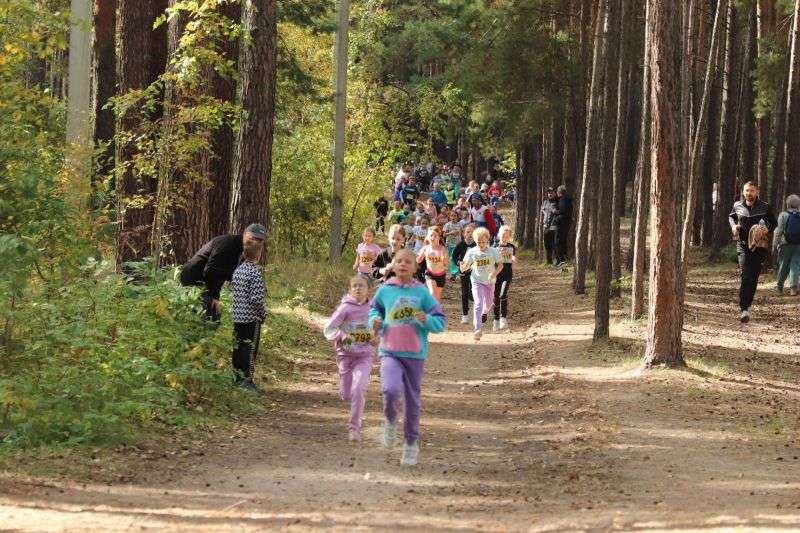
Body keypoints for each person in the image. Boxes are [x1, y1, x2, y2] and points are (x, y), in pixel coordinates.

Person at [370, 249, 446, 466]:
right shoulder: (384, 290)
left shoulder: (422, 293)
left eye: (408, 262)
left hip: (414, 353)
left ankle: (411, 444)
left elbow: (440, 321)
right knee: (390, 390)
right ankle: (390, 423)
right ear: (393, 265)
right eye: (399, 261)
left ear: (415, 267)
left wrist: (426, 320)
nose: (403, 264)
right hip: (389, 351)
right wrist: (374, 321)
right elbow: (373, 312)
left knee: (412, 400)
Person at [323, 275, 378, 441]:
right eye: (354, 286)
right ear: (350, 289)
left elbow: (381, 328)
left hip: (364, 356)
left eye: (361, 286)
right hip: (345, 356)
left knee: (358, 389)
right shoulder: (345, 309)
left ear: (369, 291)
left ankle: (354, 428)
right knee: (346, 393)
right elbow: (328, 328)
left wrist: (377, 338)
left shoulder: (374, 310)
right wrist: (342, 335)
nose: (357, 288)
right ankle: (344, 390)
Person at [180, 223, 266, 323]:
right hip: (193, 278)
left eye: (260, 240)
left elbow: (220, 273)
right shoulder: (227, 244)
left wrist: (215, 296)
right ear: (244, 233)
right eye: (254, 237)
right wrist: (215, 294)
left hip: (207, 283)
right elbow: (210, 270)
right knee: (208, 318)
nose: (256, 242)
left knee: (214, 320)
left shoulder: (246, 252)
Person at [729, 181, 777, 322]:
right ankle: (744, 309)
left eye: (751, 191)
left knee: (754, 277)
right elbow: (731, 217)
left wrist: (768, 228)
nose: (748, 193)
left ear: (757, 192)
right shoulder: (737, 206)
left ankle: (748, 304)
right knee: (745, 276)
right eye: (746, 190)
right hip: (743, 246)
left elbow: (773, 222)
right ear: (743, 192)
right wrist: (734, 227)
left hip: (759, 247)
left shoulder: (765, 207)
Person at [231, 239, 267, 393]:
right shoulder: (255, 273)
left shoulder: (237, 271)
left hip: (237, 316)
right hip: (251, 318)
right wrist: (263, 314)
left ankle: (236, 378)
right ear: (258, 255)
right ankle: (247, 380)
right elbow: (257, 299)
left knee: (237, 347)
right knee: (250, 349)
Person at [460, 227, 504, 341]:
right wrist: (462, 267)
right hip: (477, 281)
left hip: (490, 281)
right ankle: (477, 329)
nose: (481, 244)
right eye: (478, 242)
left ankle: (483, 313)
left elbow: (500, 265)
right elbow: (465, 266)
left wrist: (494, 274)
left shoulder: (493, 251)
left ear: (487, 240)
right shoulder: (472, 252)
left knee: (488, 304)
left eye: (483, 242)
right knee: (478, 302)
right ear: (475, 241)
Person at [773, 194, 800, 296]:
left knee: (783, 265)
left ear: (787, 204)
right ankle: (793, 289)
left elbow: (778, 231)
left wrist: (774, 245)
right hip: (798, 245)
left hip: (785, 244)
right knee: (795, 266)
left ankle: (779, 287)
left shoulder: (783, 215)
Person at [493, 226, 517, 332]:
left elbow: (512, 258)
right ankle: (496, 320)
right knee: (496, 298)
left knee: (503, 295)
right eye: (503, 236)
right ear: (499, 235)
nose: (504, 238)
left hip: (507, 275)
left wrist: (513, 258)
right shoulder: (494, 246)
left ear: (509, 237)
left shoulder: (512, 247)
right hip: (496, 275)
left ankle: (503, 318)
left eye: (507, 236)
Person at [452, 224, 477, 324]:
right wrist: (459, 262)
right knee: (465, 293)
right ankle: (465, 315)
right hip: (464, 272)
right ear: (463, 234)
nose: (470, 234)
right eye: (468, 232)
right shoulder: (461, 245)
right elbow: (454, 257)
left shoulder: (477, 245)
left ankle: (477, 309)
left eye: (472, 232)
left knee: (473, 294)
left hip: (476, 272)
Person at [418, 226, 449, 302]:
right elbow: (418, 260)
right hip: (430, 274)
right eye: (431, 235)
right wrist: (418, 258)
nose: (433, 237)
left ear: (439, 238)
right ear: (428, 238)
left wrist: (445, 259)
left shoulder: (442, 249)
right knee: (432, 293)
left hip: (441, 275)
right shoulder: (425, 248)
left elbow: (447, 264)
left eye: (435, 236)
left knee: (437, 299)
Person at [551, 185, 573, 267]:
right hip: (562, 223)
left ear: (559, 192)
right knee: (558, 242)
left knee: (557, 242)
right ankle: (559, 261)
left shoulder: (564, 199)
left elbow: (563, 211)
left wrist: (555, 211)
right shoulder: (564, 199)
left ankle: (562, 261)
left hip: (560, 223)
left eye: (557, 191)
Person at [541, 187, 559, 265]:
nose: (550, 194)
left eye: (551, 192)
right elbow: (543, 211)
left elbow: (560, 212)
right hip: (546, 226)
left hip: (554, 226)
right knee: (547, 244)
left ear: (555, 193)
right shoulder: (545, 202)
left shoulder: (557, 202)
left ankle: (558, 261)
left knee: (555, 244)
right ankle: (549, 261)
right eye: (549, 193)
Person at [443, 211, 462, 279]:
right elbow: (444, 235)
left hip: (457, 245)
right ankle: (453, 272)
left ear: (457, 217)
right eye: (452, 216)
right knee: (451, 259)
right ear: (450, 217)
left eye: (455, 216)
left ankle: (454, 273)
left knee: (454, 258)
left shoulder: (460, 224)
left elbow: (463, 232)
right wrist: (450, 233)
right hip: (449, 245)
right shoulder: (447, 225)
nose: (453, 217)